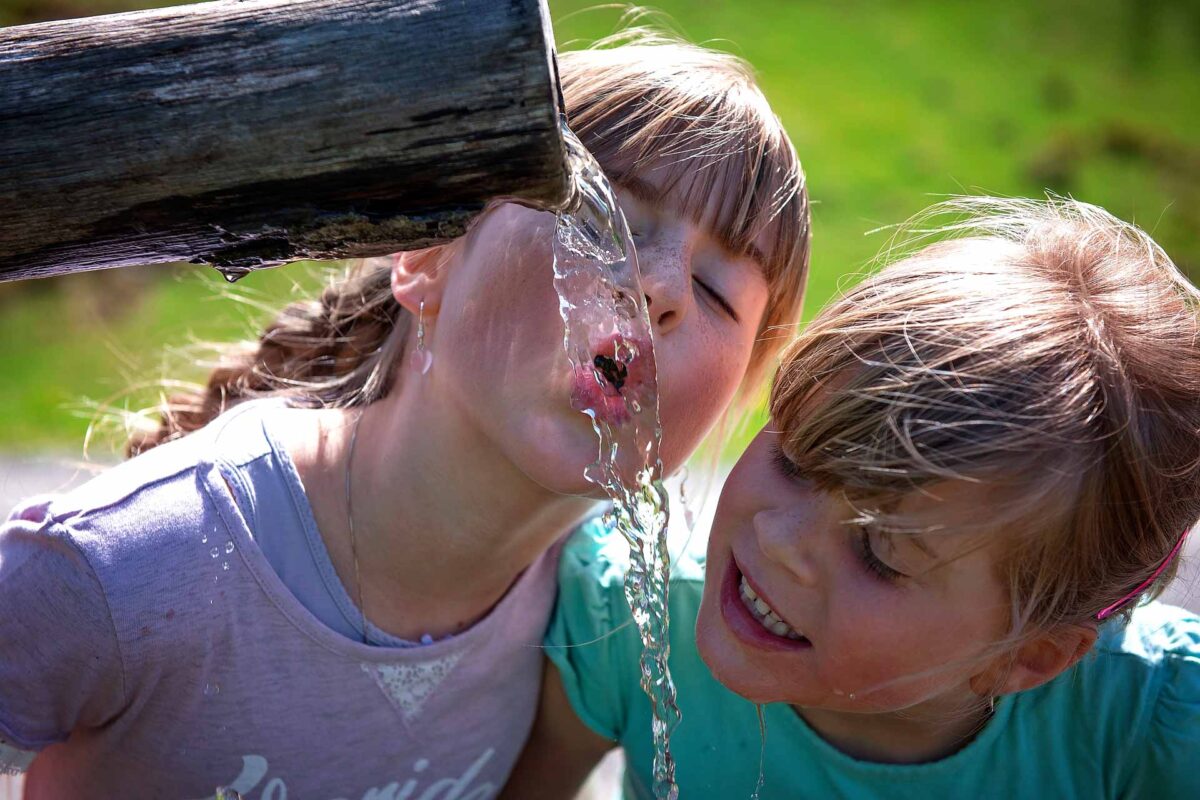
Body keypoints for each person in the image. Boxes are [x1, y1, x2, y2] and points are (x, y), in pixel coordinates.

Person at [0, 34, 810, 798]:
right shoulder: (136, 563)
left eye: (715, 292)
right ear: (426, 259)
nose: (660, 289)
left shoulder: (599, 624)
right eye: (609, 224)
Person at [508, 197, 1200, 799]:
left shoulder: (1150, 732)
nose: (781, 538)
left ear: (1028, 657)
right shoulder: (632, 618)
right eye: (795, 459)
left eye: (878, 552)